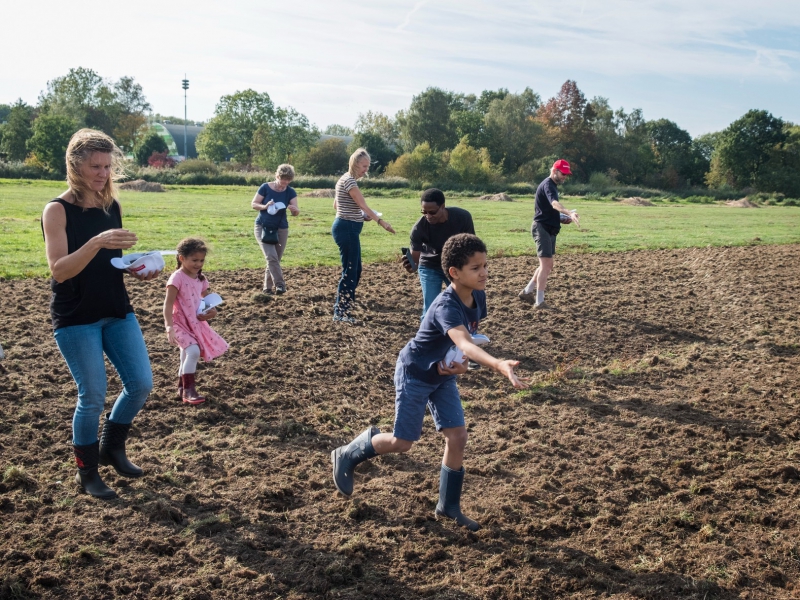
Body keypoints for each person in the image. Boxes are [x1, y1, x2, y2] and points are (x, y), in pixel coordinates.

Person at [331, 234, 529, 531]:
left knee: (458, 436)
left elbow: (463, 340)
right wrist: (498, 364)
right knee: (403, 442)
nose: (484, 272)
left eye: (485, 265)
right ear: (454, 273)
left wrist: (457, 364)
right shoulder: (445, 305)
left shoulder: (478, 296)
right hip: (416, 372)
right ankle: (349, 452)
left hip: (441, 374)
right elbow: (463, 340)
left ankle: (448, 507)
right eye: (476, 268)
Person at [41, 128, 159, 500]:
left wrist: (138, 268)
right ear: (75, 165)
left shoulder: (112, 206)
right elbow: (60, 269)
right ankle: (87, 472)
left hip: (115, 308)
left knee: (140, 384)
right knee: (92, 395)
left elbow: (112, 262)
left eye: (107, 166)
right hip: (76, 316)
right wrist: (96, 242)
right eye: (95, 166)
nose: (103, 174)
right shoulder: (56, 210)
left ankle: (111, 446)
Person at [331, 148, 396, 324]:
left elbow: (336, 205)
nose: (366, 170)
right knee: (350, 271)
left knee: (355, 270)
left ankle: (345, 304)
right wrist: (381, 222)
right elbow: (364, 205)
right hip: (347, 229)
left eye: (367, 166)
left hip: (346, 227)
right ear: (355, 164)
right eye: (364, 166)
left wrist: (359, 216)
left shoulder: (343, 179)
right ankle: (341, 312)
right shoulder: (350, 181)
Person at [163, 238, 229, 405]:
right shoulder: (176, 278)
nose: (198, 264)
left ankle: (181, 388)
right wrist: (169, 326)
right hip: (179, 323)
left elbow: (208, 300)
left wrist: (212, 312)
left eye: (201, 260)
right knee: (193, 351)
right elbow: (168, 303)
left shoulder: (200, 278)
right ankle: (189, 390)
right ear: (181, 258)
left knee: (185, 354)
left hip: (195, 322)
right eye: (194, 260)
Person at [403, 188, 475, 318]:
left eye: (432, 212)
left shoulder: (462, 217)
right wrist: (410, 267)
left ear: (443, 206)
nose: (428, 216)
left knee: (462, 303)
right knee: (430, 308)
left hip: (454, 266)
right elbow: (414, 263)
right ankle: (426, 337)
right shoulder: (418, 229)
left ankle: (464, 335)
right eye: (424, 212)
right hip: (430, 266)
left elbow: (470, 246)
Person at [518, 159, 577, 308]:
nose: (564, 177)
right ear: (554, 171)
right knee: (546, 265)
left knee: (546, 265)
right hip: (541, 228)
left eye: (566, 175)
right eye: (563, 173)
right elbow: (554, 204)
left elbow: (549, 211)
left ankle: (527, 291)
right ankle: (539, 301)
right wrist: (568, 211)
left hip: (549, 228)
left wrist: (563, 218)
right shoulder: (548, 185)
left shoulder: (553, 186)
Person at [251, 164, 299, 294]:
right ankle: (280, 285)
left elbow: (296, 211)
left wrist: (294, 210)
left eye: (288, 181)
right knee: (271, 257)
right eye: (283, 180)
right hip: (263, 227)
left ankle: (267, 289)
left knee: (274, 259)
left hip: (281, 229)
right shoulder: (265, 187)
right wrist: (265, 206)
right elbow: (254, 204)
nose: (285, 184)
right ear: (277, 176)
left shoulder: (290, 191)